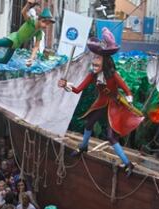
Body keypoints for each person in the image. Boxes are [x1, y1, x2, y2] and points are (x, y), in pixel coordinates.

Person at [58, 27, 144, 177]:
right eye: (94, 58)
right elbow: (77, 90)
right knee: (89, 123)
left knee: (111, 137)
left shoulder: (113, 75)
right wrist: (66, 85)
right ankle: (83, 147)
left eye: (97, 58)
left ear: (105, 61)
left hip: (115, 105)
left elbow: (128, 91)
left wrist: (129, 100)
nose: (94, 61)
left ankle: (128, 163)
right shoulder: (92, 75)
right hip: (101, 103)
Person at [0, 1, 55, 72]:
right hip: (13, 39)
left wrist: (31, 58)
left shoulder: (39, 32)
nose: (45, 25)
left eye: (48, 24)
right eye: (44, 22)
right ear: (40, 19)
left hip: (16, 44)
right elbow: (23, 12)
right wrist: (28, 4)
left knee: (5, 60)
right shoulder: (31, 21)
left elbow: (36, 47)